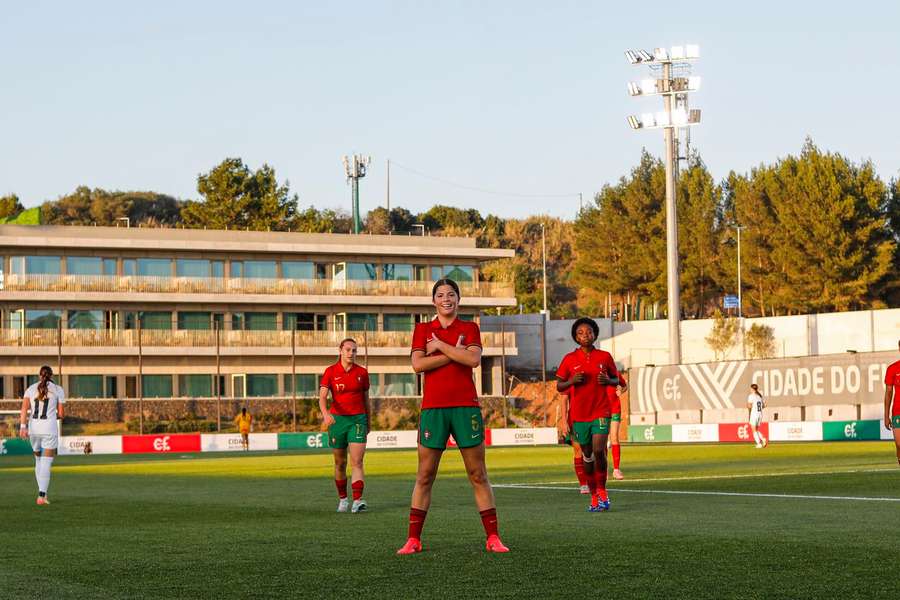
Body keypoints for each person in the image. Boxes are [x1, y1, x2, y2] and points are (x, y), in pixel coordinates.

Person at [397, 279, 509, 554]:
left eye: (451, 294)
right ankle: (413, 539)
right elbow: (418, 364)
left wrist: (441, 347)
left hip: (465, 407)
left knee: (478, 474)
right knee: (425, 475)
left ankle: (493, 537)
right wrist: (455, 352)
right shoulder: (423, 329)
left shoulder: (470, 328)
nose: (446, 299)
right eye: (440, 295)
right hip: (433, 409)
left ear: (458, 299)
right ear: (433, 300)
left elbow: (473, 360)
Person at [556, 318, 620, 512]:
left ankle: (602, 490)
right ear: (575, 336)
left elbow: (617, 379)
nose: (585, 335)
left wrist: (608, 380)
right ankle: (593, 495)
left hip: (600, 411)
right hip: (579, 415)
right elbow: (559, 386)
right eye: (581, 333)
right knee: (587, 454)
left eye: (589, 332)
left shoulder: (605, 357)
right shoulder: (569, 359)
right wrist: (572, 381)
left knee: (599, 450)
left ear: (595, 334)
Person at [320, 338, 371, 514]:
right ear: (340, 350)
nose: (351, 353)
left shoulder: (362, 373)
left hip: (358, 420)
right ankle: (343, 499)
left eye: (354, 350)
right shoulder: (330, 371)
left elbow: (366, 400)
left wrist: (369, 421)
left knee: (357, 461)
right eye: (348, 349)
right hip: (337, 421)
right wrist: (326, 414)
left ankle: (358, 500)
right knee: (340, 463)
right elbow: (322, 397)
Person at [18, 365, 65, 505]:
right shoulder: (58, 390)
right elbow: (61, 414)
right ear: (51, 376)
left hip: (34, 429)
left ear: (39, 375)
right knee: (46, 462)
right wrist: (52, 417)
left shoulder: (30, 389)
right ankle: (41, 495)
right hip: (49, 429)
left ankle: (41, 493)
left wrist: (22, 427)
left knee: (38, 459)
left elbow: (24, 409)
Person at [608, 373, 628, 479]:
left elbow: (625, 386)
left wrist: (621, 391)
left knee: (614, 437)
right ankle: (603, 470)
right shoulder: (598, 372)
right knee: (602, 442)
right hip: (601, 409)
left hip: (615, 409)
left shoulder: (614, 373)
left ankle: (616, 470)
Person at [883, 342, 900, 467]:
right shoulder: (892, 368)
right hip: (897, 412)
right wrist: (886, 415)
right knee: (899, 444)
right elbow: (888, 393)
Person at [748, 383, 767, 449]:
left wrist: (749, 414)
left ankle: (759, 443)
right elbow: (764, 405)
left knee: (753, 430)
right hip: (760, 414)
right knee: (756, 429)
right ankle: (763, 439)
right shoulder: (759, 396)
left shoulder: (751, 396)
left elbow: (749, 406)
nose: (750, 390)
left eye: (750, 388)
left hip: (754, 414)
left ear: (752, 389)